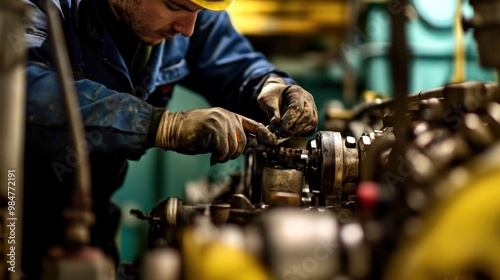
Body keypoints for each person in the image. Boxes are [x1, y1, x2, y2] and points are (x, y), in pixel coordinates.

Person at [22, 0, 318, 277]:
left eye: (197, 12)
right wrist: (162, 125)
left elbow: (236, 64)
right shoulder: (38, 8)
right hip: (16, 217)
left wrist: (271, 86)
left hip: (90, 219)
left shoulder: (191, 14)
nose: (187, 29)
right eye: (174, 6)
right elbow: (22, 94)